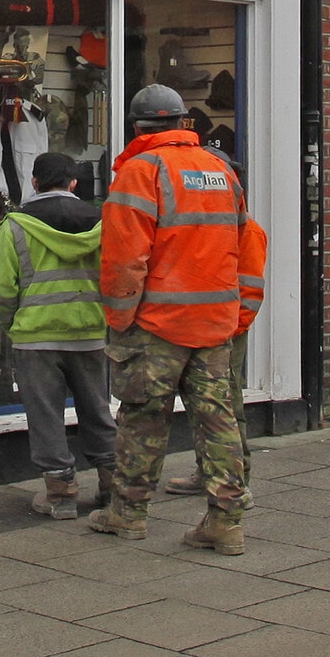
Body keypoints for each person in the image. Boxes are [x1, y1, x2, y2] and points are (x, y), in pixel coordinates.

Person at [92, 84, 261, 555]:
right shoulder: (220, 169)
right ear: (183, 122)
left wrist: (120, 317)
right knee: (218, 420)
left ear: (137, 126)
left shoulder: (140, 171)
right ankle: (226, 522)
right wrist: (237, 311)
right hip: (214, 323)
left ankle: (128, 514)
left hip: (158, 323)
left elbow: (124, 257)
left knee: (143, 420)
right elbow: (243, 241)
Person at [0, 151, 115, 520]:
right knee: (98, 412)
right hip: (90, 333)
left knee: (46, 417)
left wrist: (14, 323)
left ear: (34, 182)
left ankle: (61, 494)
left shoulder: (15, 226)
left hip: (36, 337)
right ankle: (113, 485)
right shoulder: (103, 221)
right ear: (74, 184)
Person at [166, 155, 265, 505]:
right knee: (207, 404)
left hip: (227, 330)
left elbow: (251, 288)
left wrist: (232, 329)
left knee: (227, 403)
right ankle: (209, 470)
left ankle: (238, 477)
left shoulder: (247, 231)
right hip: (214, 325)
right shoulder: (217, 228)